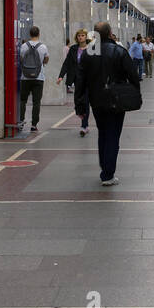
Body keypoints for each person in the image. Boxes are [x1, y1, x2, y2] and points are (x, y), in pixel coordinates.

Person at [76, 21, 141, 186]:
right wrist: (133, 92)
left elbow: (80, 81)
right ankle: (107, 174)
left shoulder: (88, 53)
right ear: (110, 32)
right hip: (116, 101)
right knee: (113, 135)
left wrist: (80, 104)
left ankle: (105, 167)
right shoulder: (119, 51)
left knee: (103, 132)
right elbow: (133, 75)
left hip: (96, 100)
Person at [57, 28, 91, 136]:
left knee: (85, 102)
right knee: (78, 101)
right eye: (79, 36)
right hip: (77, 79)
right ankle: (81, 115)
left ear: (86, 37)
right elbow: (67, 63)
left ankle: (84, 125)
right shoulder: (73, 49)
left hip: (88, 79)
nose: (80, 37)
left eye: (82, 35)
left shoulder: (91, 49)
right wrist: (61, 76)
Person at [18, 25, 49, 135]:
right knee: (36, 102)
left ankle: (20, 122)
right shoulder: (43, 47)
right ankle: (34, 125)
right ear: (38, 34)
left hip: (25, 78)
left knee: (23, 101)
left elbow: (21, 60)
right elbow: (46, 60)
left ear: (30, 34)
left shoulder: (23, 46)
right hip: (38, 77)